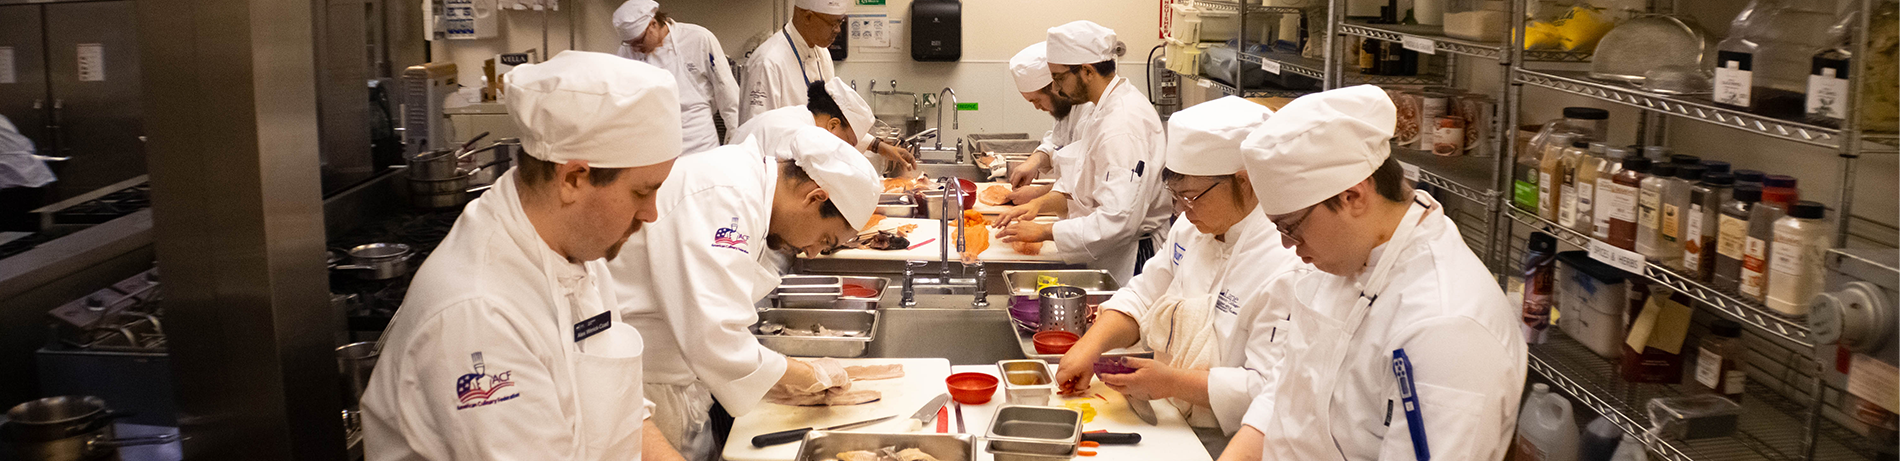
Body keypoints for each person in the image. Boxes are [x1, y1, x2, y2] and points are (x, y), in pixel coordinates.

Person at [360, 51, 686, 461]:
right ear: (572, 178)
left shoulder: (576, 247)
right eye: (642, 191)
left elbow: (621, 416)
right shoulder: (479, 313)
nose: (651, 213)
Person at [1219, 85, 1527, 461]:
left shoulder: (1445, 325)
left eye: (1291, 227)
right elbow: (1289, 388)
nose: (1287, 245)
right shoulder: (1342, 257)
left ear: (1354, 197)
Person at [607, 127, 882, 460]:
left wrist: (789, 376)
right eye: (825, 240)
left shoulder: (744, 184)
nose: (812, 253)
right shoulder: (726, 196)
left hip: (675, 379)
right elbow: (715, 336)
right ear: (815, 197)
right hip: (643, 388)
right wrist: (808, 374)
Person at [1049, 96, 1302, 434]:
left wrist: (1172, 383)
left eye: (1194, 196)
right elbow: (1144, 294)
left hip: (1233, 439)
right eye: (1177, 196)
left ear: (1245, 181)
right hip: (1173, 418)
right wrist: (1089, 346)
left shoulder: (1287, 259)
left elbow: (1270, 390)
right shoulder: (1192, 226)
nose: (1183, 210)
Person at [994, 20, 1172, 283]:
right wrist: (1039, 204)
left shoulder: (1122, 125)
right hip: (1107, 251)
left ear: (1087, 71)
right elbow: (1085, 185)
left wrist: (1045, 231)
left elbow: (1118, 219)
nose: (1055, 89)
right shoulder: (1103, 110)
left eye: (1058, 78)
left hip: (1133, 261)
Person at [614, 0, 741, 155]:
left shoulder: (698, 38)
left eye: (639, 41)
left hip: (699, 142)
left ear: (653, 24)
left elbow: (727, 93)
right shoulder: (626, 52)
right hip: (654, 144)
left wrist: (736, 144)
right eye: (630, 43)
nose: (635, 48)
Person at [726, 78, 916, 170]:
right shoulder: (796, 137)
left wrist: (879, 146)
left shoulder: (802, 117)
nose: (848, 149)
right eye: (849, 144)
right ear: (833, 124)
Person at [1001, 41, 1094, 205]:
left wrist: (1038, 194)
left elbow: (1087, 185)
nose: (1037, 107)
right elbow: (1058, 143)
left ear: (1055, 87)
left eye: (1037, 100)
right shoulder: (1066, 109)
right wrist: (1034, 161)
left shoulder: (1091, 111)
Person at [738, 0, 846, 125]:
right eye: (833, 23)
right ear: (808, 17)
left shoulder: (823, 53)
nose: (838, 30)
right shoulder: (768, 62)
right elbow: (755, 131)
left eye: (840, 22)